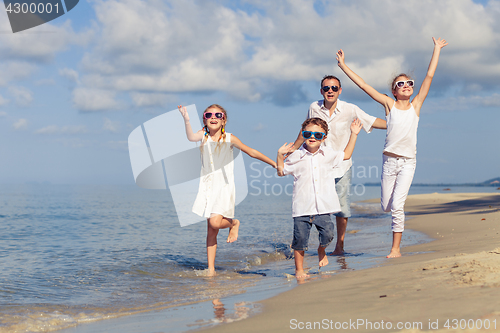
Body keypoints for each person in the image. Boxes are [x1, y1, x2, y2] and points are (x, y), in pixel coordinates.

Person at [336, 37, 448, 258]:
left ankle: (395, 249)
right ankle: (394, 239)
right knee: (386, 206)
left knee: (397, 205)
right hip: (389, 162)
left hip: (407, 162)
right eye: (401, 84)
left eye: (409, 84)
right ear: (394, 91)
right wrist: (343, 66)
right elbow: (364, 86)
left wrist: (436, 49)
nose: (406, 86)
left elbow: (429, 76)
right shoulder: (390, 105)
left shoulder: (416, 106)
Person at [290, 76, 386, 255]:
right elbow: (305, 131)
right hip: (319, 165)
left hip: (342, 165)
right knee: (312, 205)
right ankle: (310, 245)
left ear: (340, 90)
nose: (330, 91)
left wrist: (397, 126)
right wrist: (293, 149)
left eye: (334, 88)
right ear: (321, 91)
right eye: (326, 88)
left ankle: (339, 246)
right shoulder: (314, 107)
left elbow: (372, 121)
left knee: (342, 209)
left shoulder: (350, 109)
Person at [178, 104, 277, 276]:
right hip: (207, 187)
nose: (213, 117)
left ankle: (234, 223)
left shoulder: (229, 138)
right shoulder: (203, 136)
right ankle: (211, 269)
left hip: (223, 187)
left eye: (218, 114)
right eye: (209, 115)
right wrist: (186, 119)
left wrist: (274, 164)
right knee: (211, 230)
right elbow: (191, 137)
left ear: (224, 119)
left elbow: (251, 152)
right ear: (205, 119)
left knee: (215, 223)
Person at [277, 117, 362, 279]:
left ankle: (321, 250)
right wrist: (280, 155)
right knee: (300, 241)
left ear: (324, 137)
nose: (312, 137)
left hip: (324, 207)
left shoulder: (328, 154)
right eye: (308, 133)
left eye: (317, 134)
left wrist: (354, 134)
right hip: (302, 208)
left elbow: (346, 155)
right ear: (303, 134)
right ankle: (299, 270)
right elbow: (281, 172)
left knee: (328, 234)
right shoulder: (296, 156)